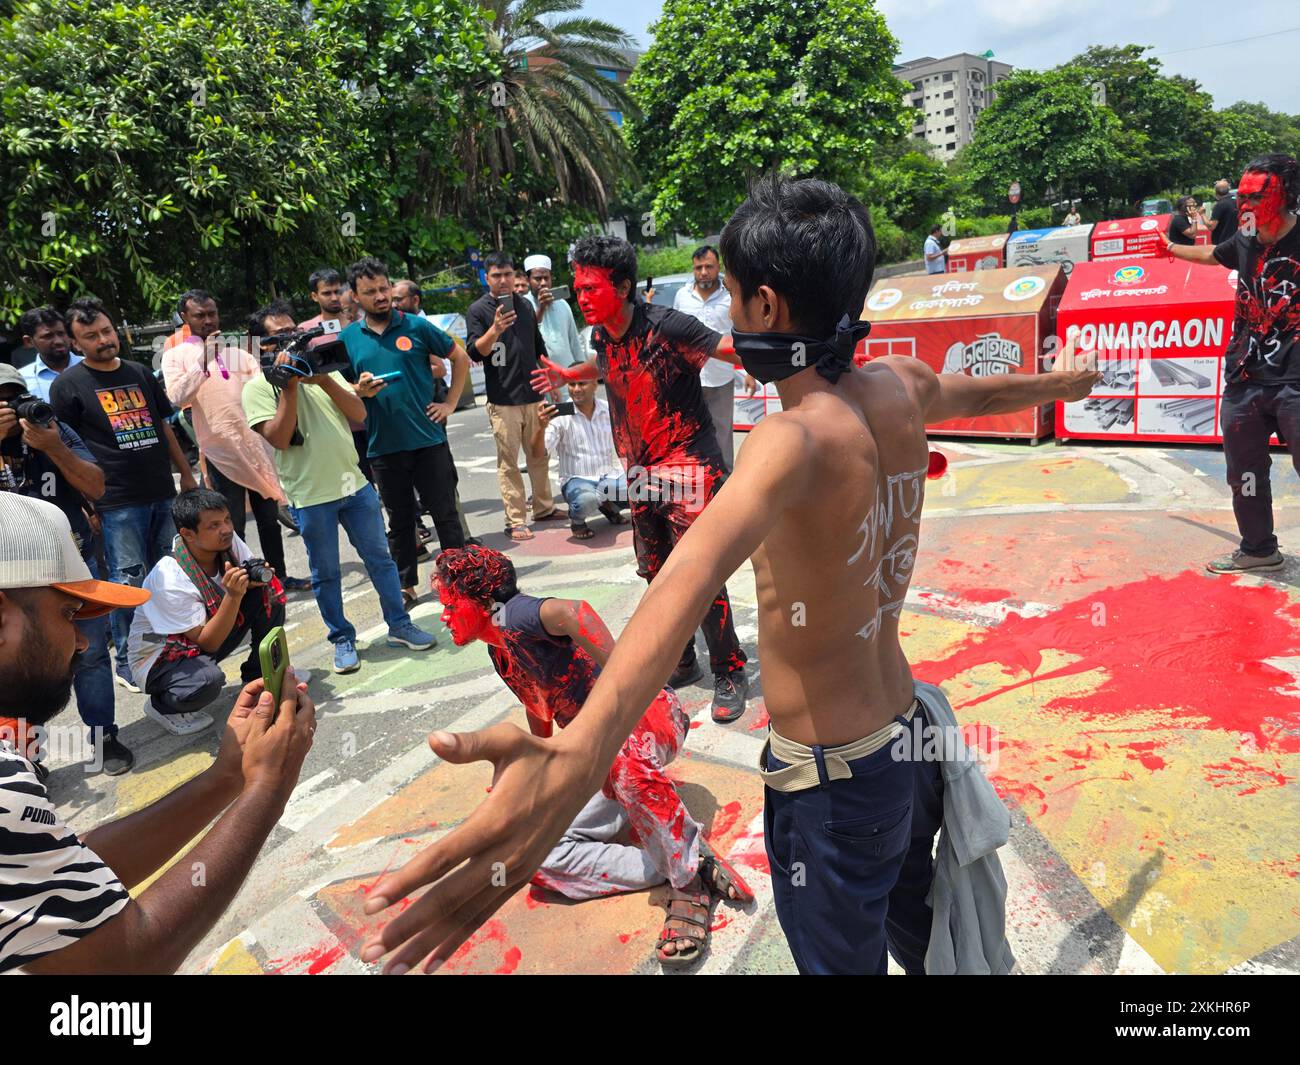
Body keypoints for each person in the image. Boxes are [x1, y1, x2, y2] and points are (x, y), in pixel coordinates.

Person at [357, 176, 1099, 977]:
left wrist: (580, 753)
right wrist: (1064, 382)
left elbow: (686, 577)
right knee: (922, 938)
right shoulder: (901, 384)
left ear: (769, 308)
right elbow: (980, 388)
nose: (731, 320)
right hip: (907, 743)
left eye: (737, 300)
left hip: (834, 782)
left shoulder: (792, 439)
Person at [0, 492, 316, 974]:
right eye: (67, 614)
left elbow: (61, 872)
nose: (83, 640)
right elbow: (119, 968)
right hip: (168, 664)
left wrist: (228, 777)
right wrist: (268, 791)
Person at [432, 545, 753, 965]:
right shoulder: (500, 651)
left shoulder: (514, 614)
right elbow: (538, 711)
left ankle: (687, 884)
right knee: (528, 851)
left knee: (619, 757)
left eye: (450, 604)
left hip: (650, 719)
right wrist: (536, 771)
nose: (443, 615)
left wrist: (623, 683)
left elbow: (575, 612)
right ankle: (684, 857)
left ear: (480, 600)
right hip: (598, 758)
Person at [530, 236, 751, 723]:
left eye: (591, 288)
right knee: (656, 574)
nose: (581, 298)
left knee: (700, 579)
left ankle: (730, 667)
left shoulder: (667, 325)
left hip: (690, 466)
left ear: (624, 286)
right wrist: (570, 374)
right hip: (642, 473)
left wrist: (787, 354)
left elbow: (725, 349)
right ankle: (683, 658)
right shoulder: (603, 337)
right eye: (577, 288)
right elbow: (607, 367)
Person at [243, 301, 437, 674]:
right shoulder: (257, 389)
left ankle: (399, 624)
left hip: (355, 486)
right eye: (280, 337)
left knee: (381, 560)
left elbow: (360, 413)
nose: (292, 341)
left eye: (294, 333)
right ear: (260, 346)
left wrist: (321, 378)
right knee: (326, 573)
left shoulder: (321, 373)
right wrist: (289, 386)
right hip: (311, 496)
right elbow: (280, 439)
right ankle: (342, 638)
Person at [1160, 154, 1300, 574]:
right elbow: (1214, 256)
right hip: (1245, 377)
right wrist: (1170, 248)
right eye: (1243, 195)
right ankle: (1258, 549)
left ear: (1286, 196)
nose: (1246, 204)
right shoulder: (1244, 236)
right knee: (1245, 473)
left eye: (1258, 195)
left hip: (1296, 380)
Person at [51, 298, 198, 694]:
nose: (103, 340)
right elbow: (65, 449)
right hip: (115, 502)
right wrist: (87, 505)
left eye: (106, 331)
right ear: (76, 343)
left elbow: (164, 427)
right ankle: (130, 662)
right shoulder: (67, 386)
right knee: (128, 582)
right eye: (91, 337)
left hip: (161, 492)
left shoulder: (138, 373)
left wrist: (185, 473)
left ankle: (171, 649)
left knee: (168, 576)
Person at [0, 365, 133, 775]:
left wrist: (54, 447)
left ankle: (101, 738)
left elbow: (95, 486)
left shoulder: (51, 430)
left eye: (15, 396)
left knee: (88, 652)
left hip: (68, 564)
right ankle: (24, 755)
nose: (12, 407)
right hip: (10, 577)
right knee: (19, 660)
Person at [341, 257, 469, 605]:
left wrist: (450, 403)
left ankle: (459, 582)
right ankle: (406, 586)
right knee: (399, 522)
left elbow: (460, 357)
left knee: (445, 514)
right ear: (355, 296)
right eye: (371, 292)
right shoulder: (348, 338)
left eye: (384, 288)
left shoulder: (415, 326)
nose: (381, 296)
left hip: (428, 440)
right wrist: (358, 389)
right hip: (382, 446)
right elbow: (339, 386)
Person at [162, 290, 302, 591]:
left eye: (212, 313)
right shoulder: (174, 356)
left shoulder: (238, 351)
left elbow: (262, 389)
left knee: (268, 520)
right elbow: (176, 397)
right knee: (230, 524)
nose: (209, 320)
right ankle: (240, 586)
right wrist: (203, 360)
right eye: (200, 315)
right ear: (184, 318)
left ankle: (279, 577)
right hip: (220, 452)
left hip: (255, 446)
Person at [126, 489, 295, 736]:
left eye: (227, 519)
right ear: (187, 534)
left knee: (269, 593)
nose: (226, 529)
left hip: (201, 633)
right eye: (214, 525)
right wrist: (234, 595)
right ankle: (162, 706)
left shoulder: (228, 542)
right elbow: (209, 642)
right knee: (207, 680)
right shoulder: (169, 578)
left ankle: (259, 675)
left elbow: (252, 583)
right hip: (159, 653)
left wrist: (257, 576)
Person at [465, 252, 563, 541]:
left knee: (539, 454)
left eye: (508, 274)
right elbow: (475, 352)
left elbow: (538, 346)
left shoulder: (524, 305)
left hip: (533, 393)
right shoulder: (478, 310)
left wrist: (552, 378)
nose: (504, 280)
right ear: (487, 278)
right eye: (496, 275)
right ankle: (515, 519)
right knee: (508, 463)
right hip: (502, 399)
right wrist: (495, 328)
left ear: (515, 275)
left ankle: (544, 507)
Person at [389, 280, 479, 546]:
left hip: (430, 419)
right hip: (396, 428)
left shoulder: (420, 328)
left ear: (415, 300)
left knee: (444, 485)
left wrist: (449, 404)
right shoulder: (378, 331)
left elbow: (447, 365)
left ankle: (460, 544)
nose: (393, 304)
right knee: (400, 494)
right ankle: (415, 548)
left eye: (398, 298)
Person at [529, 361, 628, 541]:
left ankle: (609, 506)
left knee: (642, 489)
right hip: (577, 480)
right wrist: (540, 427)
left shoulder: (608, 409)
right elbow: (537, 454)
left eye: (581, 383)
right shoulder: (559, 416)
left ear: (594, 384)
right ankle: (577, 521)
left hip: (609, 477)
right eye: (572, 384)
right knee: (586, 501)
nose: (576, 389)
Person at [673, 245, 745, 471]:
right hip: (688, 378)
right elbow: (674, 334)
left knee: (722, 431)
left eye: (709, 267)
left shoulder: (731, 296)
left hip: (721, 377)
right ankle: (697, 481)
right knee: (689, 432)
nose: (703, 272)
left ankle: (724, 482)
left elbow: (741, 332)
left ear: (718, 267)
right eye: (698, 267)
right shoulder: (682, 296)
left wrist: (747, 368)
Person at [300, 267, 372, 484]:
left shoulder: (361, 324)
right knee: (359, 485)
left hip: (373, 414)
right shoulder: (306, 332)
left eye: (337, 291)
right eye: (326, 293)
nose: (334, 297)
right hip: (337, 423)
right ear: (314, 296)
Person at [522, 254, 584, 388]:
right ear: (528, 280)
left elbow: (575, 343)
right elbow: (527, 340)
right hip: (543, 383)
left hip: (570, 381)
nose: (543, 283)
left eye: (546, 278)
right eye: (538, 279)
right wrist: (541, 308)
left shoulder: (563, 305)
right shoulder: (523, 306)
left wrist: (584, 375)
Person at [18, 307, 81, 403]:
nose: (58, 341)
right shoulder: (21, 380)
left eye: (61, 333)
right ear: (29, 341)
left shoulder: (95, 367)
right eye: (48, 336)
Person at [1209, 179, 1239, 246]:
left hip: (1222, 243)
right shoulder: (1237, 202)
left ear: (1216, 192)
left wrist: (1202, 214)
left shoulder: (1220, 204)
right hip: (1234, 241)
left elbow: (1211, 226)